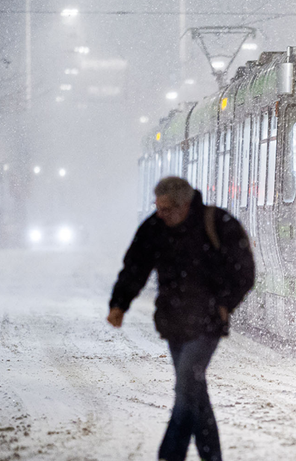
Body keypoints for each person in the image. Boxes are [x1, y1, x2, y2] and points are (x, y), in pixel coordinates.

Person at [107, 177, 255, 461]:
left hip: (207, 323)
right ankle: (211, 456)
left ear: (184, 205)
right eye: (158, 207)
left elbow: (244, 270)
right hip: (173, 322)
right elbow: (135, 266)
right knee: (194, 390)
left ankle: (170, 455)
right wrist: (119, 303)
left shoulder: (217, 223)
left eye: (167, 209)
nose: (161, 214)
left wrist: (225, 304)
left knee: (187, 383)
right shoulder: (155, 227)